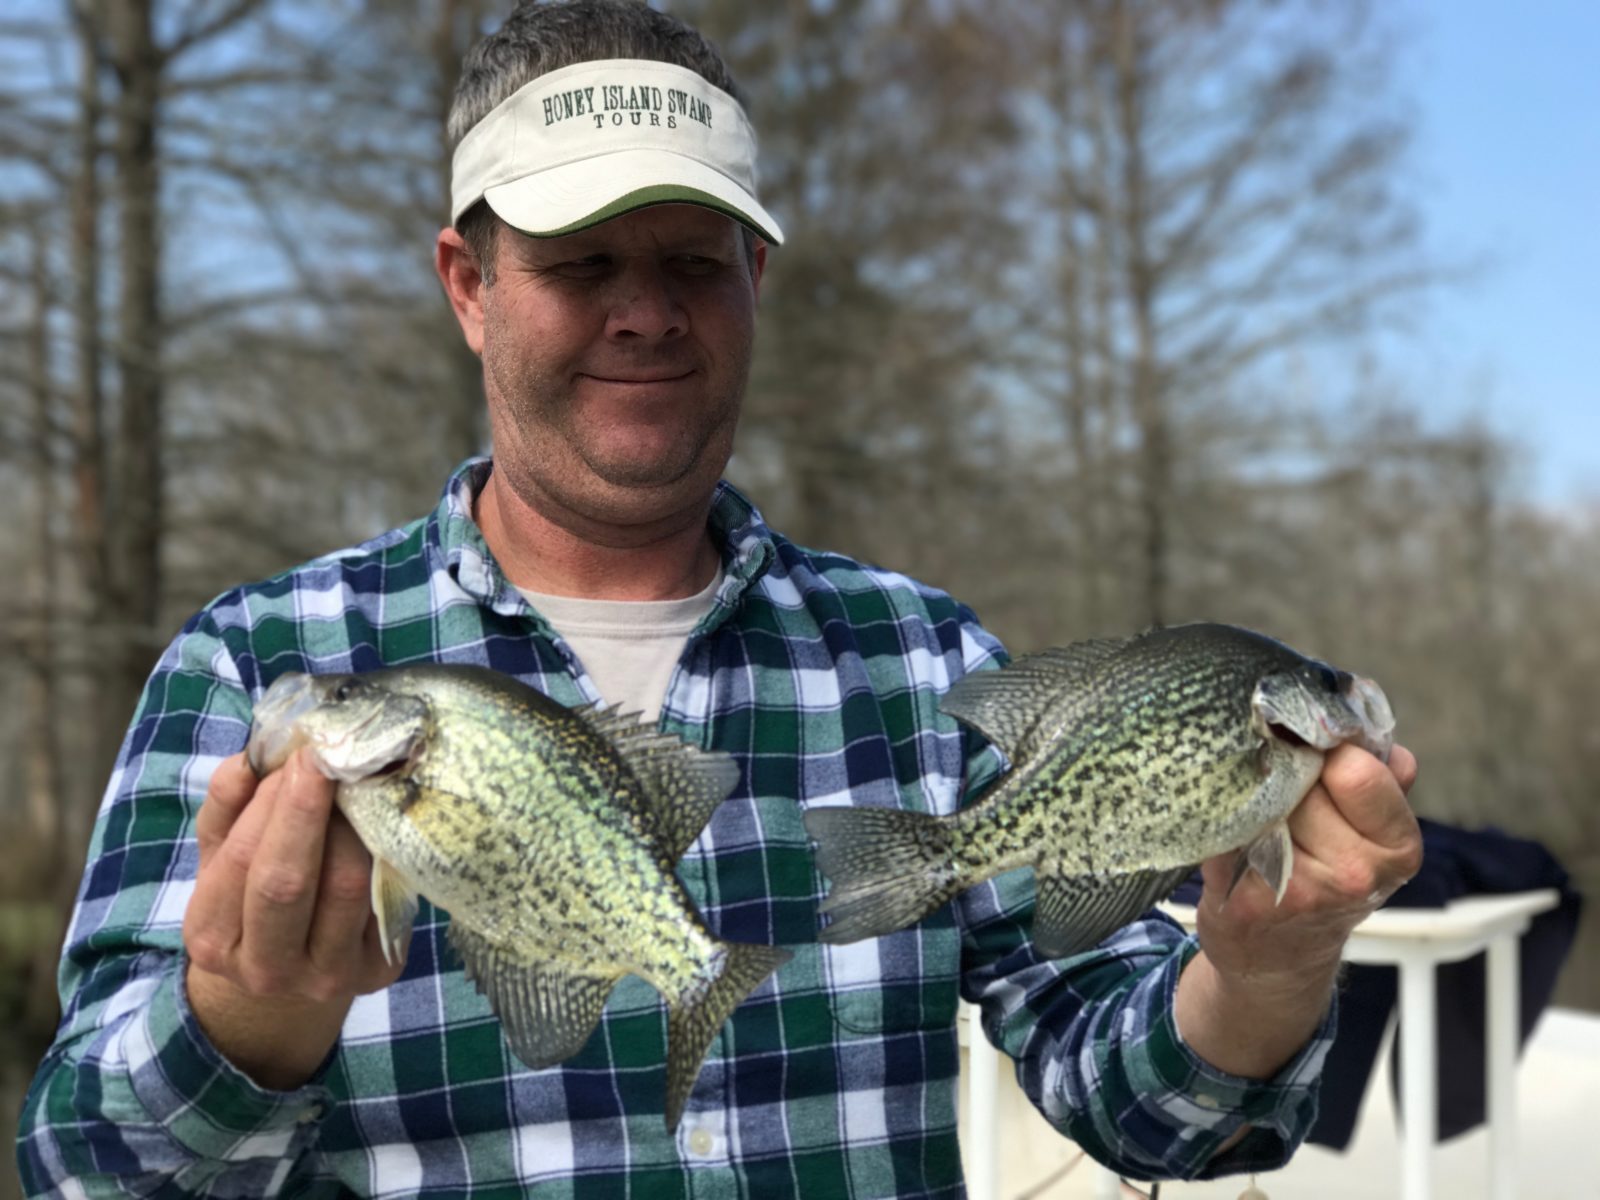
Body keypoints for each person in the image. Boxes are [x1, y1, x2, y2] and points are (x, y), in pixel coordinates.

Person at [17, 2, 1421, 1196]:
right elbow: (81, 1169)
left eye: (693, 261)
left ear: (754, 278)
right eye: (580, 264)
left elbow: (1153, 1109)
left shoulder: (918, 656)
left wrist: (1267, 966)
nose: (645, 312)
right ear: (470, 287)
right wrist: (243, 1025)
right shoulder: (253, 665)